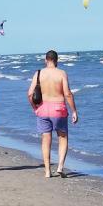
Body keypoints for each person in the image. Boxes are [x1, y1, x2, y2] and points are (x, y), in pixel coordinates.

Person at [27, 50, 79, 178]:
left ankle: (47, 171)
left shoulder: (38, 74)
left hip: (43, 110)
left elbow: (29, 94)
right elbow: (67, 93)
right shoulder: (61, 73)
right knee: (62, 137)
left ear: (46, 60)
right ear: (57, 60)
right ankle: (60, 166)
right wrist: (74, 111)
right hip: (59, 109)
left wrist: (35, 109)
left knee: (46, 140)